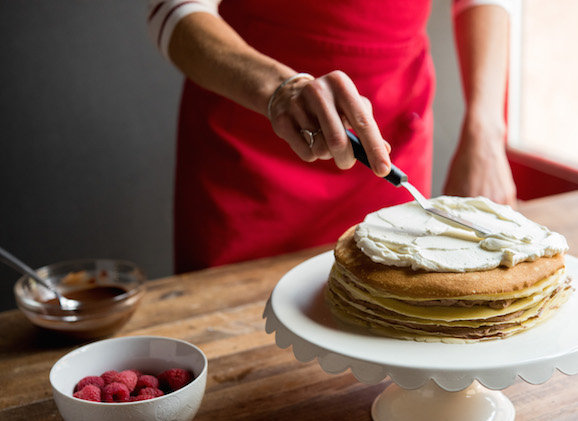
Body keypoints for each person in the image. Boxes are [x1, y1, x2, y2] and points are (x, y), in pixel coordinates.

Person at [146, 0, 517, 273]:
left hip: (391, 134)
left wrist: (486, 131)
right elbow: (175, 11)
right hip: (250, 137)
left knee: (396, 312)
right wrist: (280, 90)